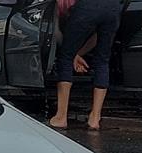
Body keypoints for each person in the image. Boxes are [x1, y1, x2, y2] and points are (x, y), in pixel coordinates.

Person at [49, 0, 122, 130]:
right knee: (102, 60)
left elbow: (59, 36)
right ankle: (95, 118)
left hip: (87, 6)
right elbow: (96, 36)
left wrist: (73, 54)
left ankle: (61, 117)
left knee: (65, 58)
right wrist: (78, 54)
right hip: (113, 8)